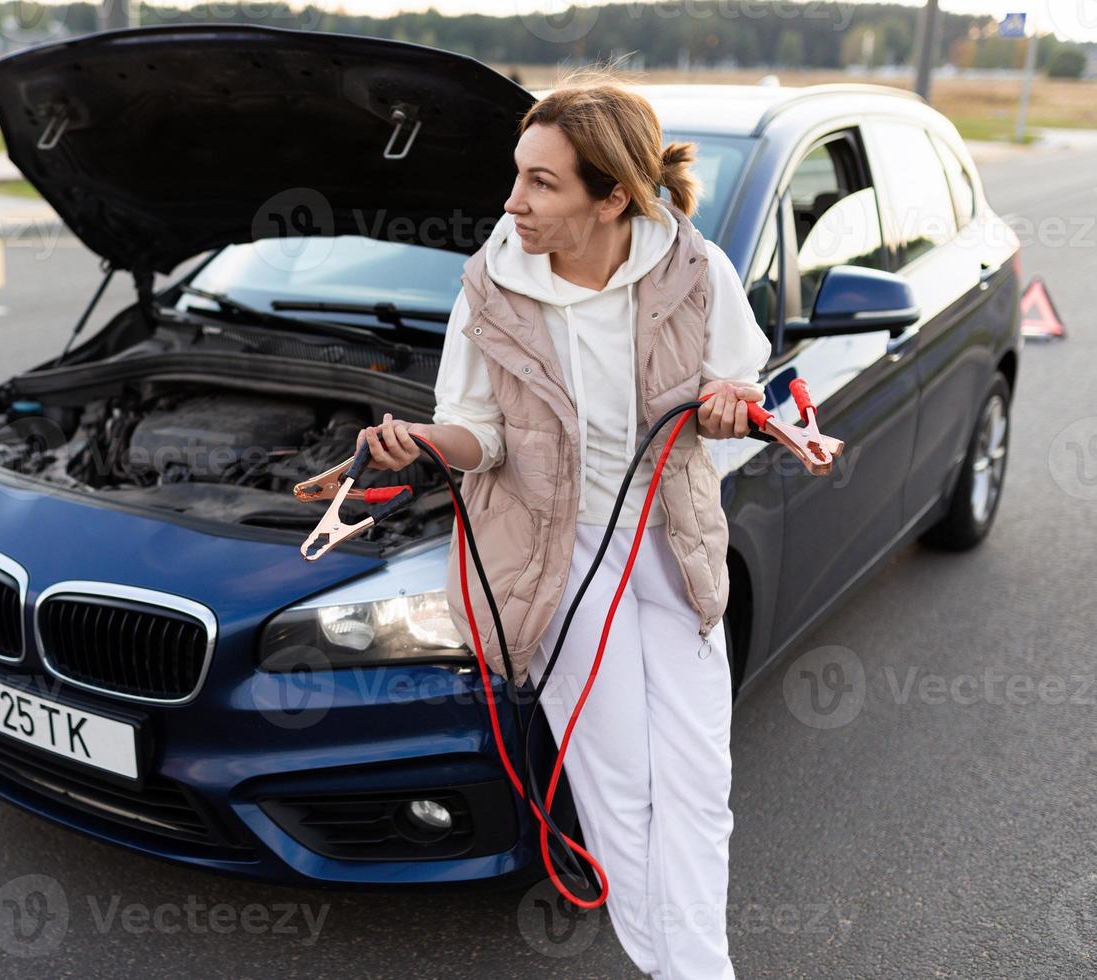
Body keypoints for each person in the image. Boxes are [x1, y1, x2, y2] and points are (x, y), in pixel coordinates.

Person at [354, 66, 772, 978]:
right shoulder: (490, 290)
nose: (515, 202)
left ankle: (696, 969)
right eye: (518, 174)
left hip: (673, 545)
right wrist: (425, 440)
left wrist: (729, 405)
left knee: (700, 786)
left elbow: (737, 384)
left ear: (613, 195)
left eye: (542, 182)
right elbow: (481, 434)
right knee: (617, 785)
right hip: (560, 555)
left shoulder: (697, 271)